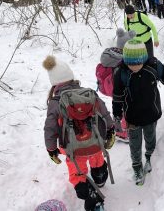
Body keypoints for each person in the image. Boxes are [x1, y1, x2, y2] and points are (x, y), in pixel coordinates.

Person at [112, 39, 164, 185]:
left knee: (150, 138)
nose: (134, 67)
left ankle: (151, 157)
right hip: (132, 117)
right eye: (130, 64)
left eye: (137, 63)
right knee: (134, 144)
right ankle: (137, 167)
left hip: (151, 114)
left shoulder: (153, 66)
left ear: (144, 58)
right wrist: (117, 116)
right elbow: (117, 97)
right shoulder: (121, 73)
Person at [42, 56, 115, 211]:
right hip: (95, 142)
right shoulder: (88, 94)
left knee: (77, 169)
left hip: (72, 149)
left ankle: (87, 192)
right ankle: (100, 177)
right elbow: (103, 112)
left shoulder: (56, 103)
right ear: (71, 77)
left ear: (54, 83)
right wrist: (110, 129)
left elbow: (50, 128)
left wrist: (51, 149)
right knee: (96, 157)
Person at [96, 28, 136, 141]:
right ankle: (122, 133)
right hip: (118, 86)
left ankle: (120, 127)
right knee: (124, 107)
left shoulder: (110, 54)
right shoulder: (124, 58)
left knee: (119, 106)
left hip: (110, 86)